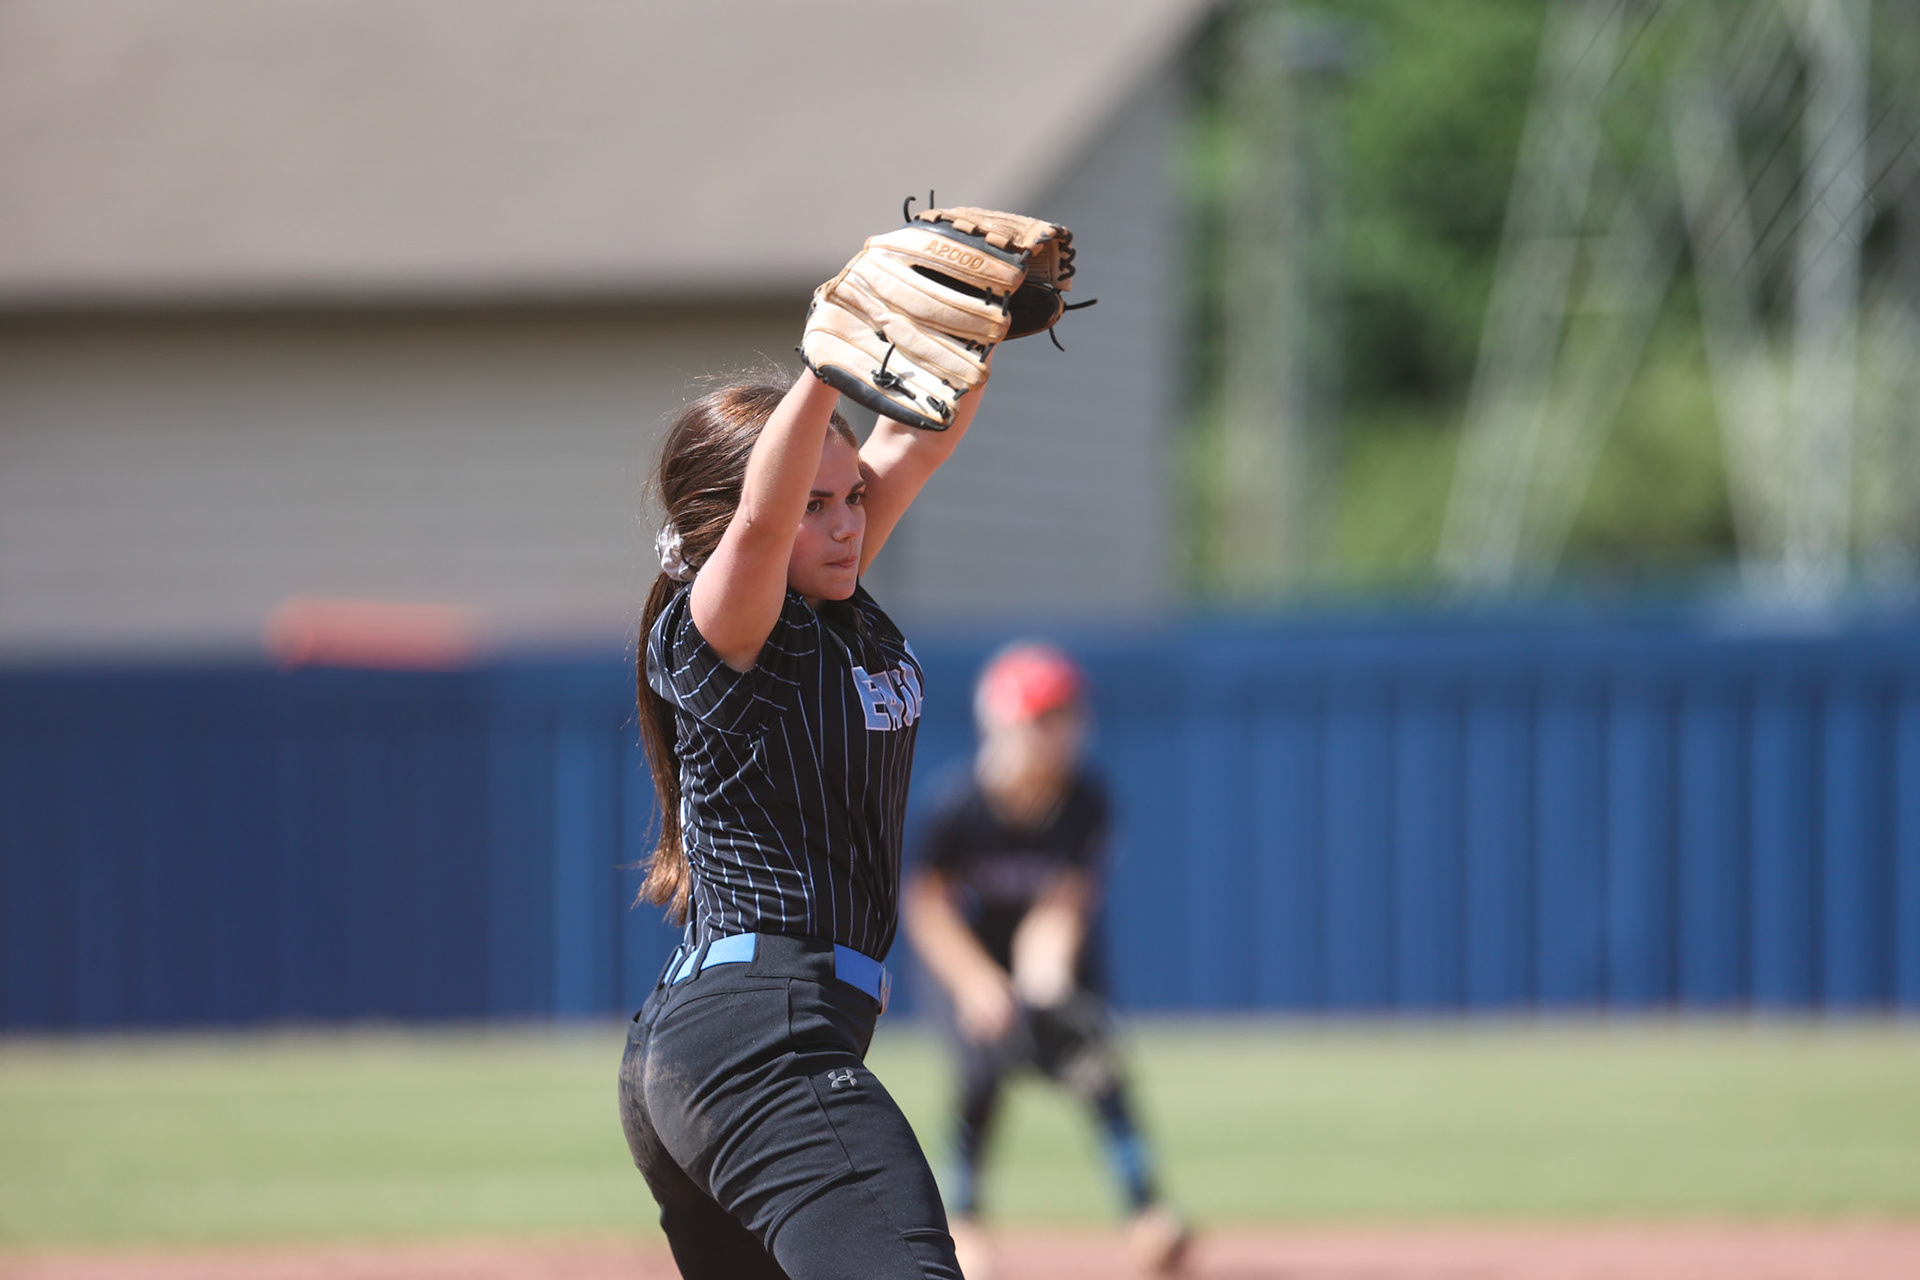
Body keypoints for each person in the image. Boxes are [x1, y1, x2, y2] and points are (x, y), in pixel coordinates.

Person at [615, 360, 986, 1280]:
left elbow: (919, 438)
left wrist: (983, 334)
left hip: (729, 1036)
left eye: (851, 496)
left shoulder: (834, 596)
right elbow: (759, 520)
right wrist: (825, 367)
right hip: (760, 1036)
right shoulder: (733, 623)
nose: (847, 520)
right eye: (816, 502)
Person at [902, 643, 1191, 1278]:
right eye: (1041, 718)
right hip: (968, 962)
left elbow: (1064, 904)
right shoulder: (958, 808)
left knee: (1100, 1071)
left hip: (1053, 961)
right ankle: (966, 1221)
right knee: (982, 1077)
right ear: (1001, 725)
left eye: (1066, 715)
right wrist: (980, 983)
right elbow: (928, 908)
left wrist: (1046, 980)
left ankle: (1147, 1213)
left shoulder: (1085, 801)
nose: (1058, 731)